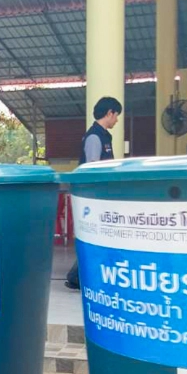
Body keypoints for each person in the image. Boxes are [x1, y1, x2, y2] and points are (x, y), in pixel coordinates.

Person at [65, 96, 122, 290]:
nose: (117, 120)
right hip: (93, 198)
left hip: (101, 196)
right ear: (109, 113)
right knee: (93, 235)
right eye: (116, 115)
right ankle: (77, 276)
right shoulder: (94, 137)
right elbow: (92, 169)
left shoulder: (105, 136)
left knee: (97, 235)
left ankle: (78, 276)